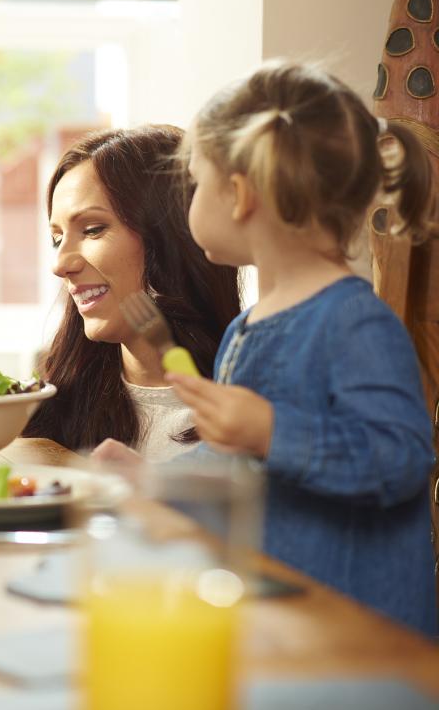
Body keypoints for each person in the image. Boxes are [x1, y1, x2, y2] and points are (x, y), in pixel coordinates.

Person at [100, 61, 436, 635]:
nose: (191, 201)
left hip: (363, 640)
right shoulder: (247, 328)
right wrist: (156, 479)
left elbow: (402, 458)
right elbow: (238, 460)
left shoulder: (355, 321)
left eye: (197, 183)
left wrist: (273, 431)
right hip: (284, 621)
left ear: (238, 195)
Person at [29, 126, 241, 460]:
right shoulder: (51, 404)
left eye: (93, 229)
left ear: (171, 238)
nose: (60, 264)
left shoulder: (248, 419)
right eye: (57, 238)